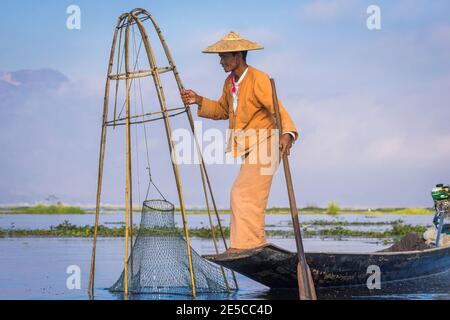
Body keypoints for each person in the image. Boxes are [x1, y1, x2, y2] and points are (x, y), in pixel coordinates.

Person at [181, 31, 299, 254]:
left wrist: (288, 134)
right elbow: (224, 110)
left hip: (268, 142)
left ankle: (249, 245)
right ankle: (246, 244)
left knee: (242, 192)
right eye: (220, 57)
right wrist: (198, 100)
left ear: (238, 56)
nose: (221, 61)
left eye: (224, 56)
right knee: (247, 194)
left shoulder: (259, 79)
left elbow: (277, 109)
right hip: (249, 146)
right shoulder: (230, 82)